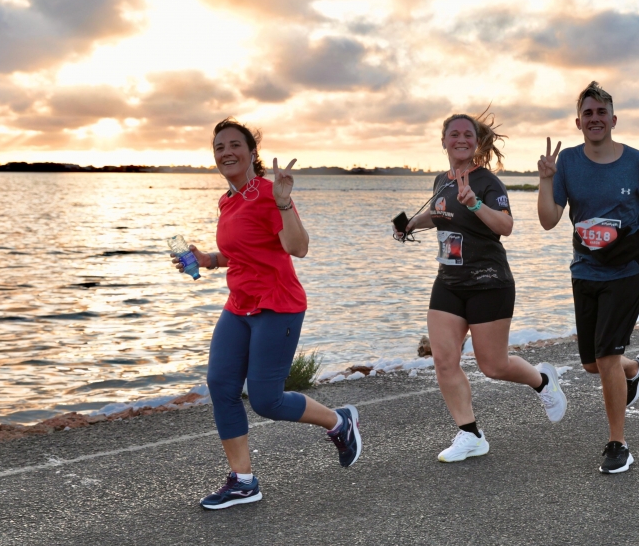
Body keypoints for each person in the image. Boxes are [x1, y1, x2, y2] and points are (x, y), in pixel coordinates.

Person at [175, 118, 361, 510]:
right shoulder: (227, 200)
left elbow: (298, 247)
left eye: (234, 145)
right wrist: (209, 259)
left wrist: (283, 201)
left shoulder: (268, 194)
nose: (227, 152)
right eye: (219, 147)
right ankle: (243, 482)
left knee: (266, 401)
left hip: (277, 305)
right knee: (221, 385)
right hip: (239, 304)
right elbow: (242, 251)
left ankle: (339, 421)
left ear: (251, 152)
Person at [398, 111, 567, 462]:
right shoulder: (441, 181)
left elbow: (506, 226)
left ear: (476, 143)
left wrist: (474, 203)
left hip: (489, 281)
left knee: (493, 365)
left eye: (468, 135)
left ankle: (541, 381)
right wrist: (411, 224)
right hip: (448, 282)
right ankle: (470, 434)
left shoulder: (489, 183)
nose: (461, 139)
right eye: (454, 134)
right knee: (444, 361)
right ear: (443, 141)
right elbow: (440, 213)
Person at [537, 81, 639, 474]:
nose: (594, 118)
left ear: (614, 120)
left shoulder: (637, 162)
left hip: (625, 271)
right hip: (584, 270)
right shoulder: (568, 163)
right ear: (578, 122)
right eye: (588, 113)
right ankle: (635, 369)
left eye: (601, 112)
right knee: (592, 363)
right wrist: (545, 179)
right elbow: (548, 221)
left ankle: (618, 444)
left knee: (607, 357)